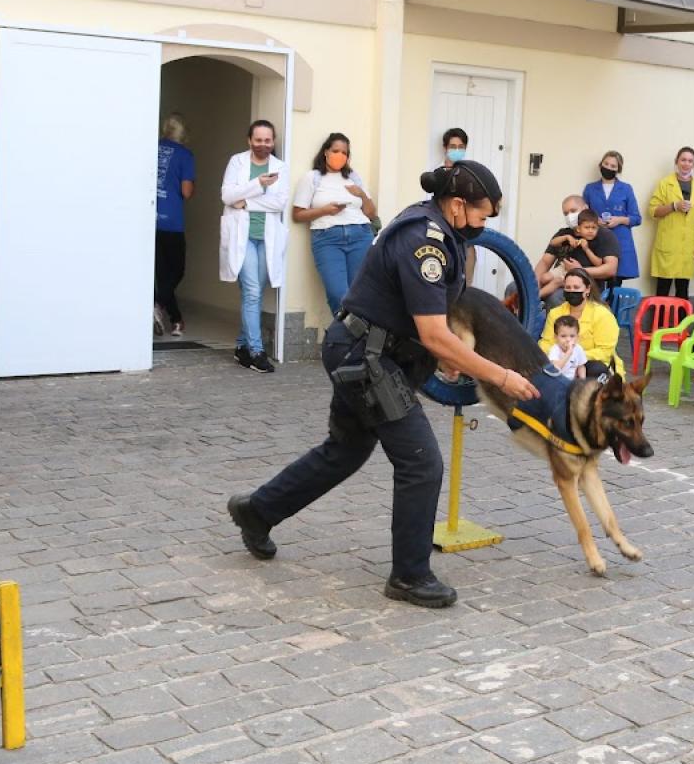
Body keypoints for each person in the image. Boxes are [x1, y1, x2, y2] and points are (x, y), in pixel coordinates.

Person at [227, 161, 539, 609]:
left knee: (345, 450)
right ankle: (409, 576)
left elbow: (429, 328)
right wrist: (501, 375)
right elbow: (433, 332)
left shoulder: (438, 229)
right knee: (421, 463)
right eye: (481, 214)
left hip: (370, 352)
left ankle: (256, 511)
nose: (483, 224)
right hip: (367, 358)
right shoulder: (424, 243)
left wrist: (445, 358)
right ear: (456, 205)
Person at [221, 120, 290, 374]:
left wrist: (246, 202)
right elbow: (227, 196)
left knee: (256, 293)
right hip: (244, 236)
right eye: (258, 140)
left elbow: (280, 203)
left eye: (268, 140)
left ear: (273, 142)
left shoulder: (280, 167)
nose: (263, 145)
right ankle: (257, 351)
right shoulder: (237, 162)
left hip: (267, 237)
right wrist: (258, 185)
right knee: (251, 291)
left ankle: (241, 346)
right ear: (249, 140)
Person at [292, 132, 377, 316]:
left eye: (344, 153)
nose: (340, 155)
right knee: (338, 294)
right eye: (335, 151)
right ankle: (345, 339)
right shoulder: (312, 178)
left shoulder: (354, 177)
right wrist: (325, 210)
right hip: (327, 239)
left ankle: (355, 342)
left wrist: (361, 194)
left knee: (360, 295)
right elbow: (297, 214)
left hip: (360, 235)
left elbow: (371, 213)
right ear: (326, 152)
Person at [538, 268, 624, 378]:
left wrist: (575, 355)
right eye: (568, 287)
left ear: (587, 289)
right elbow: (545, 342)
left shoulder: (602, 315)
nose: (572, 291)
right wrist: (558, 355)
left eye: (576, 287)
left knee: (596, 368)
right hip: (559, 362)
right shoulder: (555, 313)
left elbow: (605, 352)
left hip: (591, 364)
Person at [154, 114, 196, 338]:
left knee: (161, 274)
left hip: (150, 219)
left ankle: (175, 318)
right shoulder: (184, 155)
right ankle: (158, 305)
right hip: (172, 221)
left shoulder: (152, 148)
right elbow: (187, 191)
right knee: (176, 270)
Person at [648, 147, 694, 299]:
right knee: (662, 290)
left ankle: (683, 322)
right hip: (668, 244)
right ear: (676, 162)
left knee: (683, 291)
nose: (686, 164)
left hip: (688, 247)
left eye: (690, 161)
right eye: (683, 160)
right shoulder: (665, 184)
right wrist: (673, 206)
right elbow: (653, 211)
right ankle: (660, 323)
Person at [536, 197, 619, 305]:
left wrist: (579, 270)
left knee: (555, 297)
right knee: (516, 288)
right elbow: (545, 262)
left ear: (585, 208)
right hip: (560, 276)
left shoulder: (604, 235)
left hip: (586, 287)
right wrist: (529, 287)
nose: (569, 216)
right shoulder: (563, 234)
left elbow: (610, 269)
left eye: (573, 211)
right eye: (566, 213)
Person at [583, 151, 641, 291]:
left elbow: (636, 218)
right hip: (596, 241)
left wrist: (620, 219)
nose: (608, 167)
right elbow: (583, 214)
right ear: (600, 165)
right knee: (595, 283)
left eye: (613, 166)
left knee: (615, 285)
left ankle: (613, 312)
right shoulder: (590, 188)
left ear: (618, 169)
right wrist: (595, 220)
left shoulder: (626, 189)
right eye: (606, 164)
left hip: (620, 241)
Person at [440, 127, 476, 283]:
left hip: (464, 235)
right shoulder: (436, 174)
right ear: (445, 148)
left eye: (461, 147)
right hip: (442, 234)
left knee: (466, 283)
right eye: (453, 147)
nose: (457, 150)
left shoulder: (471, 174)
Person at [547, 315, 587, 381]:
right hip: (556, 381)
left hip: (571, 381)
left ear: (577, 337)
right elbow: (555, 368)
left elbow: (581, 366)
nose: (568, 339)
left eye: (572, 336)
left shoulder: (578, 349)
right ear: (556, 337)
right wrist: (568, 353)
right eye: (563, 336)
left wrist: (582, 381)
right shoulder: (555, 350)